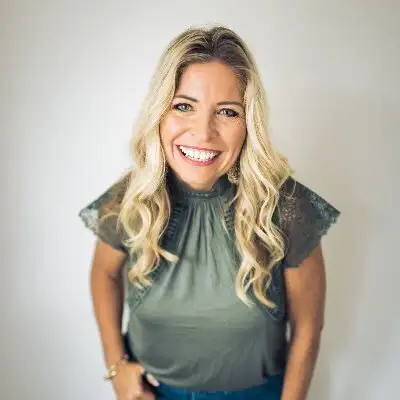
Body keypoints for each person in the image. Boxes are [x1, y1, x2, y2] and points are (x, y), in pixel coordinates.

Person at [79, 25, 340, 400]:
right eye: (184, 106)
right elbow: (103, 274)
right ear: (159, 113)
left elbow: (308, 328)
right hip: (152, 393)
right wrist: (116, 366)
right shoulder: (131, 197)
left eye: (227, 112)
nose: (203, 132)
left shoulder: (286, 206)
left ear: (248, 124)